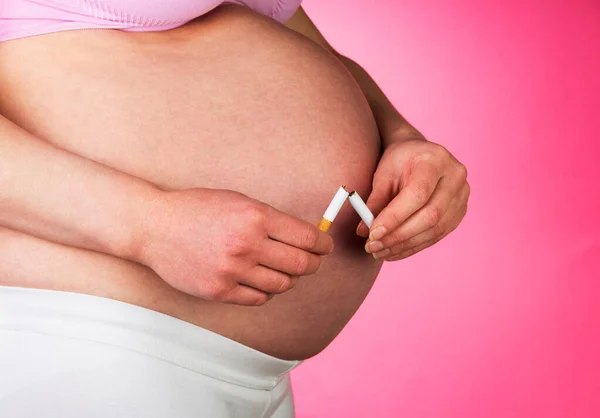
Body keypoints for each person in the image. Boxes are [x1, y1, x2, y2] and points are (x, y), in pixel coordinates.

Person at [0, 1, 470, 417]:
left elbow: (310, 51)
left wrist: (402, 137)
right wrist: (147, 222)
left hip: (249, 373)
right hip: (87, 338)